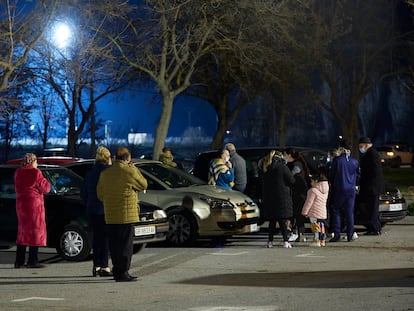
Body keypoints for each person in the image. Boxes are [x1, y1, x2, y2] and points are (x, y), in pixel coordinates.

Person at [97, 147, 148, 282]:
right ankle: (122, 272)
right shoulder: (129, 171)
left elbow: (100, 194)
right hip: (126, 215)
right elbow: (143, 184)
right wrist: (134, 168)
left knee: (114, 245)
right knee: (126, 245)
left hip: (110, 215)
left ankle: (117, 270)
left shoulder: (105, 173)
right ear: (128, 158)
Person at [14, 153, 51, 268]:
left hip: (21, 205)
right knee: (35, 232)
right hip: (34, 206)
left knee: (23, 231)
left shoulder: (18, 173)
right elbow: (46, 188)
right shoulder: (36, 172)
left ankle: (19, 261)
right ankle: (32, 260)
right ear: (33, 161)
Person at [81, 146, 113, 277]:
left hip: (92, 209)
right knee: (105, 239)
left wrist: (89, 202)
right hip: (104, 209)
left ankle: (96, 265)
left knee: (96, 239)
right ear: (107, 158)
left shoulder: (90, 173)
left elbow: (83, 193)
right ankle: (104, 266)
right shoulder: (108, 172)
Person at [259, 150, 295, 248]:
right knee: (282, 221)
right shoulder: (282, 167)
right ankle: (286, 241)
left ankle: (270, 241)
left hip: (269, 197)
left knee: (272, 221)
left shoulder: (266, 167)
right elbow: (291, 180)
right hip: (282, 197)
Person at [329, 140, 360, 242]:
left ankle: (337, 233)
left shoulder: (337, 161)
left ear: (341, 149)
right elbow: (358, 175)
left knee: (336, 210)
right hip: (351, 190)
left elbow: (332, 175)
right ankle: (350, 234)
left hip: (339, 189)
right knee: (349, 212)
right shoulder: (354, 161)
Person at [358, 136, 385, 236]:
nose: (360, 148)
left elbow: (372, 173)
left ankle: (375, 229)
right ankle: (373, 228)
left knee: (372, 209)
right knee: (371, 209)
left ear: (366, 145)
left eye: (361, 146)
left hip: (372, 188)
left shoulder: (371, 154)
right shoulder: (371, 154)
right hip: (372, 187)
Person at [284, 148, 310, 243]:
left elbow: (291, 176)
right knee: (298, 213)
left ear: (289, 155)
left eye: (285, 155)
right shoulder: (299, 163)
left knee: (298, 213)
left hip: (299, 193)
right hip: (300, 192)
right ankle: (300, 233)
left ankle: (299, 233)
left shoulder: (296, 165)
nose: (284, 157)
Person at [301, 173, 329, 247]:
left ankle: (316, 241)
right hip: (322, 212)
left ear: (316, 181)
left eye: (312, 181)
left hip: (314, 212)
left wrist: (304, 212)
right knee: (321, 226)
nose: (310, 183)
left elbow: (309, 202)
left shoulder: (312, 190)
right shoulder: (325, 190)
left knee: (315, 227)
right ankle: (322, 240)